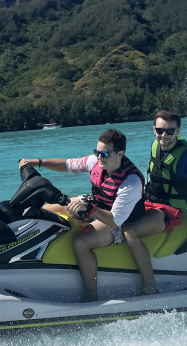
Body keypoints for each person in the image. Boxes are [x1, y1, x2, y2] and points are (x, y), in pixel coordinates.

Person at [19, 128, 145, 302]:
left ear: (120, 153)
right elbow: (67, 165)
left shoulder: (131, 181)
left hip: (119, 221)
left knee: (81, 242)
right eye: (97, 152)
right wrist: (37, 163)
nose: (99, 157)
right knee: (48, 208)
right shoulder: (96, 161)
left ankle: (91, 296)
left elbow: (115, 220)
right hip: (96, 206)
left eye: (104, 154)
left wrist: (90, 209)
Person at [121, 111, 187, 295]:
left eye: (170, 131)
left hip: (170, 208)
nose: (164, 135)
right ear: (154, 129)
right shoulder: (154, 144)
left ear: (178, 131)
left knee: (130, 232)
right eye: (159, 130)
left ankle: (149, 286)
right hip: (147, 199)